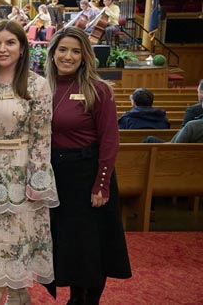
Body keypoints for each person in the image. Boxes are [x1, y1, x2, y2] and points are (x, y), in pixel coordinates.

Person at [0, 20, 59, 305]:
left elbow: (42, 137)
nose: (2, 48)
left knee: (17, 234)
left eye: (10, 43)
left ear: (22, 48)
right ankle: (18, 294)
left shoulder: (37, 84)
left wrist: (37, 180)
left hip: (21, 171)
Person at [45, 26, 132, 304]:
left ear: (84, 56)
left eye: (75, 51)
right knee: (69, 243)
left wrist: (101, 184)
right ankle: (74, 297)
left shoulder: (98, 89)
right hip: (57, 177)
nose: (67, 56)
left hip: (88, 175)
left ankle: (88, 300)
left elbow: (110, 141)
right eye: (62, 49)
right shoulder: (41, 86)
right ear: (53, 52)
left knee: (93, 245)